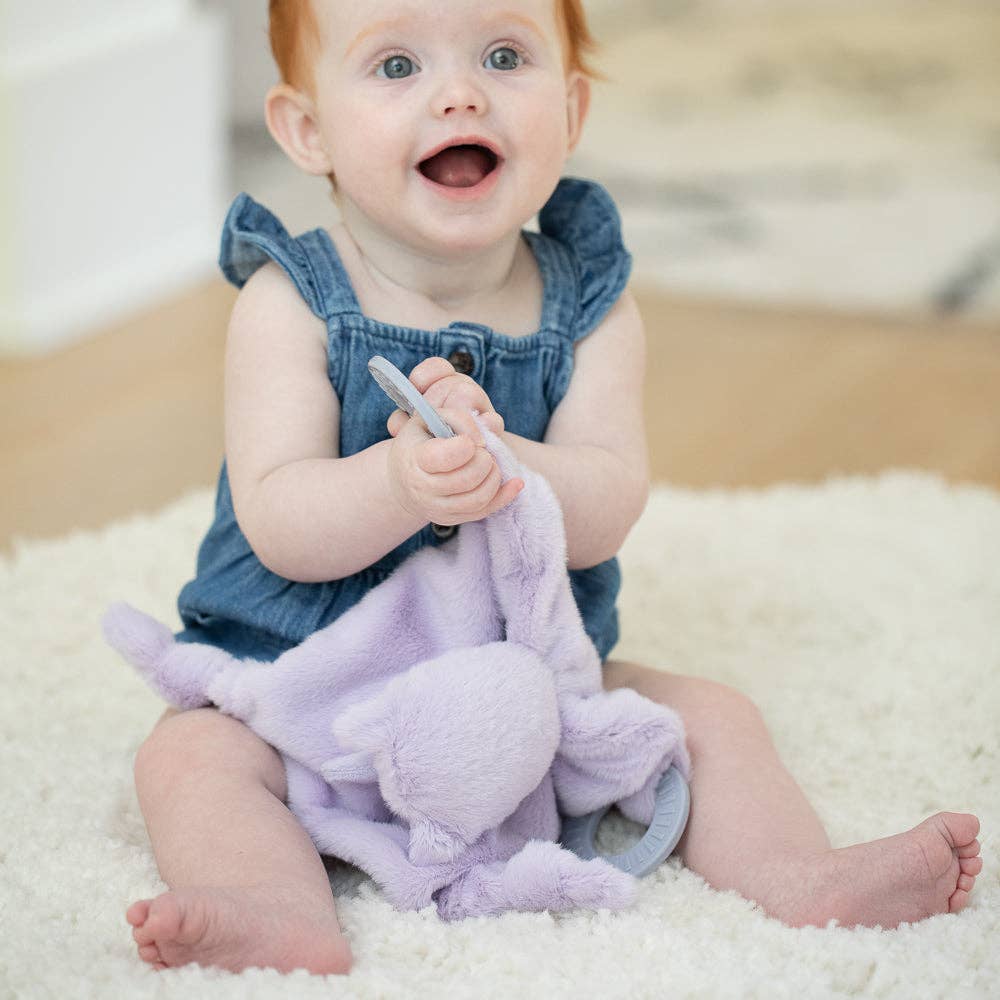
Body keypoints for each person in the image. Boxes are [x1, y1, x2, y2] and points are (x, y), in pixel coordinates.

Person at [125, 0, 982, 975]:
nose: (459, 92)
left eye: (503, 54)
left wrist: (507, 463)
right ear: (306, 128)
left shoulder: (591, 308)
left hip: (521, 698)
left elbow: (609, 500)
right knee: (187, 756)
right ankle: (272, 904)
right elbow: (279, 519)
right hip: (301, 691)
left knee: (712, 717)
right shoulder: (291, 304)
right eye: (396, 66)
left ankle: (801, 874)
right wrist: (400, 482)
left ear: (570, 109)